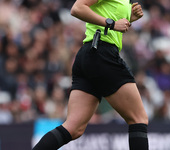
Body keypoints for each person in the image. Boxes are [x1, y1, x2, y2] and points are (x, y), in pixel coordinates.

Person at [32, 0, 149, 150]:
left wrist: (129, 17)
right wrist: (111, 23)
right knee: (138, 119)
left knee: (74, 128)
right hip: (102, 54)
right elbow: (77, 8)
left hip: (90, 55)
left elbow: (107, 16)